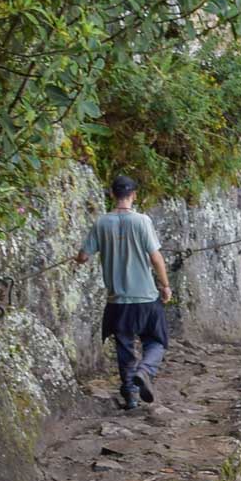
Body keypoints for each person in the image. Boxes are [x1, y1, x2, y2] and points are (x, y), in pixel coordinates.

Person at [75, 175, 173, 409]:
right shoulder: (142, 221)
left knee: (125, 346)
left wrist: (78, 257)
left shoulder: (101, 223)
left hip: (117, 301)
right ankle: (145, 370)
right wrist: (165, 285)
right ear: (134, 195)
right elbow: (155, 257)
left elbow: (83, 256)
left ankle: (130, 394)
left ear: (112, 195)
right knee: (156, 340)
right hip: (146, 297)